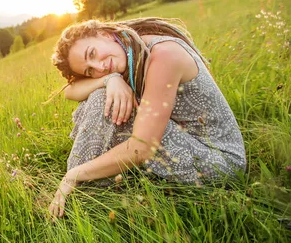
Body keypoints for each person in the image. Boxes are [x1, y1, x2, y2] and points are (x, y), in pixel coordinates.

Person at [48, 17, 246, 218]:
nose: (99, 67)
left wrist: (74, 175)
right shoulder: (130, 48)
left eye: (92, 53)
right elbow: (70, 92)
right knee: (101, 93)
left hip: (221, 164)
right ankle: (84, 189)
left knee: (104, 100)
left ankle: (77, 192)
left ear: (104, 34)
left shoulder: (163, 55)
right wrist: (110, 79)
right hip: (186, 140)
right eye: (89, 70)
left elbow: (142, 147)